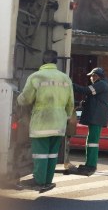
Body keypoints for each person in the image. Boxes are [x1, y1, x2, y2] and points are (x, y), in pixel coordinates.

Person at [16, 50, 74, 193]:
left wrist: (18, 99)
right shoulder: (65, 78)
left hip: (42, 122)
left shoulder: (36, 76)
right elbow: (70, 103)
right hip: (59, 123)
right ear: (56, 62)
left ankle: (39, 181)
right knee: (52, 154)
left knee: (40, 154)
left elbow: (26, 99)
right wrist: (64, 116)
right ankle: (48, 180)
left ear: (43, 61)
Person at [72, 67, 108, 175]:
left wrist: (71, 85)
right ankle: (88, 163)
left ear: (97, 76)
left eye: (92, 76)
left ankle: (91, 165)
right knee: (90, 141)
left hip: (96, 118)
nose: (91, 78)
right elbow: (92, 96)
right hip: (95, 117)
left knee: (92, 142)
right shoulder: (102, 84)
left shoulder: (101, 84)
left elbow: (87, 90)